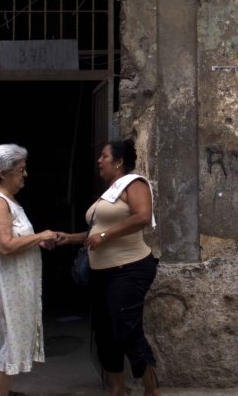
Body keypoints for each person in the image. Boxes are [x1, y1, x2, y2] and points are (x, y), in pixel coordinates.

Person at [56, 140, 160, 396]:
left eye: (104, 156)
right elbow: (95, 232)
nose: (99, 161)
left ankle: (152, 389)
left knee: (127, 330)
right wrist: (68, 238)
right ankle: (117, 389)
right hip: (102, 273)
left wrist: (105, 237)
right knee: (104, 331)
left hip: (129, 268)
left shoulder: (134, 184)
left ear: (119, 161)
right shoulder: (109, 192)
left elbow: (143, 217)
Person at [0, 144, 60, 396]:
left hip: (10, 277)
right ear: (3, 172)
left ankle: (0, 392)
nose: (25, 175)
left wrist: (39, 242)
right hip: (6, 278)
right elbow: (4, 245)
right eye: (20, 170)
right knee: (14, 338)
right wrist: (40, 235)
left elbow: (14, 238)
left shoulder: (2, 198)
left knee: (7, 334)